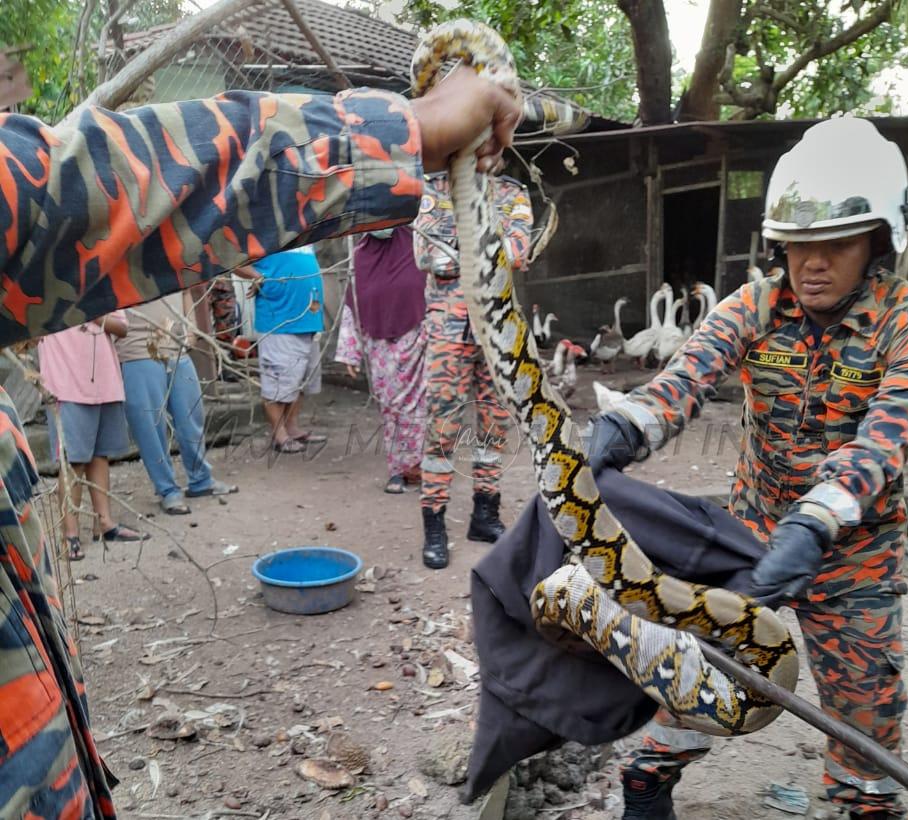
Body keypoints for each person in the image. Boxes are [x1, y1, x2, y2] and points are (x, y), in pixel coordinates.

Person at [0, 67, 521, 819]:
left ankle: (475, 513)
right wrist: (398, 131)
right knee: (427, 432)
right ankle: (437, 521)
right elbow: (81, 186)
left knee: (480, 437)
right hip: (426, 340)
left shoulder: (509, 205)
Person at [588, 117, 908, 820]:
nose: (811, 264)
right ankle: (648, 779)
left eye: (836, 244)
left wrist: (818, 523)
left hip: (856, 557)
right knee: (709, 674)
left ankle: (861, 806)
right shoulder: (756, 304)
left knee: (865, 707)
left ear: (878, 243)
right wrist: (627, 426)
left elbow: (884, 440)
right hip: (754, 540)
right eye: (797, 245)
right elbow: (686, 379)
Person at [414, 172, 533, 569]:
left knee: (495, 425)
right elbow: (426, 256)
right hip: (449, 327)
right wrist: (488, 250)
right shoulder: (433, 190)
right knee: (443, 428)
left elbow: (518, 252)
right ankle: (435, 524)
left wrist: (459, 250)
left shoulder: (512, 192)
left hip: (498, 326)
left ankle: (485, 514)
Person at [38, 311, 150, 560]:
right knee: (73, 461)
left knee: (100, 455)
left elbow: (122, 328)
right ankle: (70, 535)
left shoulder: (100, 289)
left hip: (105, 381)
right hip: (65, 385)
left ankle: (105, 524)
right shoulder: (47, 289)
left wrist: (94, 314)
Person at [116, 293, 238, 514]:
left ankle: (201, 480)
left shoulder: (169, 262)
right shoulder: (116, 263)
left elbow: (185, 291)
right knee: (151, 426)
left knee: (192, 416)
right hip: (137, 351)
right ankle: (167, 490)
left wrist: (190, 329)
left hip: (177, 348)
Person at [335, 226, 428, 492]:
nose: (381, 227)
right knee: (390, 406)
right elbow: (352, 303)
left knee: (422, 405)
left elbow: (434, 289)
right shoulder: (361, 254)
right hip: (379, 347)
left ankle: (423, 468)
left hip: (419, 339)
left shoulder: (417, 245)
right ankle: (397, 470)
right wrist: (349, 353)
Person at [237, 246, 326, 454]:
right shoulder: (264, 231)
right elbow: (228, 258)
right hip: (279, 320)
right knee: (277, 382)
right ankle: (279, 435)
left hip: (309, 319)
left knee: (301, 380)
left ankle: (292, 428)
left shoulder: (304, 231)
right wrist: (258, 276)